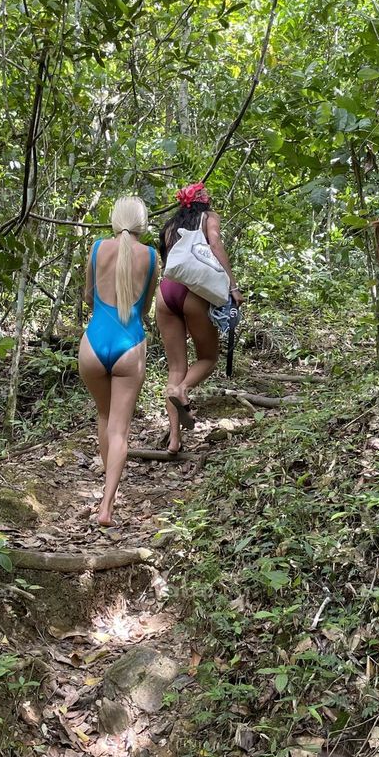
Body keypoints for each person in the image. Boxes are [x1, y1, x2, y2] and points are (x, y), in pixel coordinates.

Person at [79, 196, 160, 526]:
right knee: (120, 430)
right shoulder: (152, 257)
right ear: (143, 224)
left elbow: (88, 296)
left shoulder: (98, 249)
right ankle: (107, 507)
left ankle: (106, 489)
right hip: (130, 345)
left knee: (104, 415)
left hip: (93, 343)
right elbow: (143, 310)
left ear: (114, 220)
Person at [156, 181, 242, 453]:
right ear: (205, 202)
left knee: (175, 368)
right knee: (207, 358)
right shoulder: (209, 218)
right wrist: (233, 286)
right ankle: (183, 390)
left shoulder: (170, 225)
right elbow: (214, 243)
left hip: (166, 293)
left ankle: (174, 440)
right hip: (194, 294)